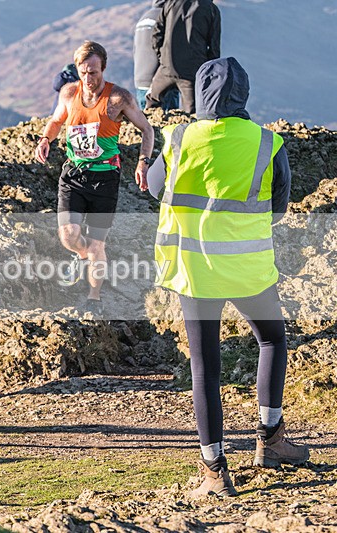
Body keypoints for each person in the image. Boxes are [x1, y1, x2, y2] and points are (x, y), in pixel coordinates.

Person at [147, 57, 309, 498]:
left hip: (194, 270)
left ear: (199, 95)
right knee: (272, 340)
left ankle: (214, 470)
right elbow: (277, 209)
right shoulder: (266, 143)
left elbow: (157, 188)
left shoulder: (178, 137)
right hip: (248, 267)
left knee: (205, 368)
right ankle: (270, 440)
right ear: (244, 95)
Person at [35, 41, 155, 315]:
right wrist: (45, 139)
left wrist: (143, 162)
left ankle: (94, 296)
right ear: (77, 70)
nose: (89, 79)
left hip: (104, 178)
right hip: (74, 174)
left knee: (98, 243)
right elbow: (55, 121)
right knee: (68, 235)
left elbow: (147, 130)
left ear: (103, 69)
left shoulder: (119, 98)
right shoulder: (68, 93)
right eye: (84, 72)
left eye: (94, 72)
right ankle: (82, 256)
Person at [145, 0, 220, 113]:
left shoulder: (171, 3)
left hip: (167, 68)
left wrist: (163, 58)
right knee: (192, 115)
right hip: (193, 72)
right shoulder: (211, 9)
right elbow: (214, 46)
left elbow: (157, 34)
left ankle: (148, 129)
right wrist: (206, 71)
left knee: (152, 103)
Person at [133, 0, 179, 111]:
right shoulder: (168, 17)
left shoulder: (144, 18)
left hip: (141, 80)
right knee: (168, 124)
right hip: (161, 81)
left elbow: (136, 50)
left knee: (147, 123)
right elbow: (170, 50)